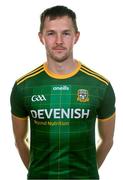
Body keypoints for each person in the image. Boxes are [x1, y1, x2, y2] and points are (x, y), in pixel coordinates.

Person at [10, 5, 116, 180]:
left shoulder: (100, 86)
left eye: (66, 33)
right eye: (51, 33)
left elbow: (107, 141)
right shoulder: (23, 86)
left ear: (76, 37)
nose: (59, 40)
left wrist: (86, 173)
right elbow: (20, 141)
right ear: (41, 37)